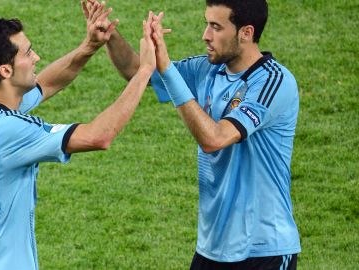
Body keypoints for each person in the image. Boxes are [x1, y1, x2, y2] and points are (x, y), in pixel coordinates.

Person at [84, 0, 301, 269]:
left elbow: (215, 139)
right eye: (206, 24)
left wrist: (166, 69)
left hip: (262, 250)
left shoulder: (273, 81)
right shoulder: (206, 70)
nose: (205, 35)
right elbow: (136, 70)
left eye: (216, 27)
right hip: (212, 248)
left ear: (246, 33)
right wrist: (110, 34)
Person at [0, 4, 157, 269]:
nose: (36, 57)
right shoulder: (5, 132)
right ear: (5, 70)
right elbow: (99, 136)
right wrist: (144, 72)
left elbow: (47, 84)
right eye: (28, 53)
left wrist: (89, 46)